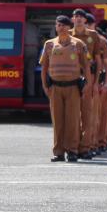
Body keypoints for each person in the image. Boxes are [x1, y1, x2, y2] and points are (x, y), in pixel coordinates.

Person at [40, 15, 89, 162]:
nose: (61, 28)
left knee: (73, 121)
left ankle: (72, 150)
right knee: (58, 120)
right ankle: (58, 152)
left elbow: (86, 67)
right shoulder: (49, 44)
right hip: (55, 87)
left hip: (73, 87)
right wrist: (45, 85)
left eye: (64, 25)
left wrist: (87, 84)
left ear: (69, 27)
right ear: (56, 27)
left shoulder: (79, 44)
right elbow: (44, 67)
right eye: (58, 25)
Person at [71, 9, 105, 159]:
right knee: (72, 114)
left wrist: (96, 82)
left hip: (88, 76)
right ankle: (72, 147)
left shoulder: (93, 36)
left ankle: (85, 148)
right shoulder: (67, 34)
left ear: (85, 20)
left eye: (81, 17)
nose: (78, 19)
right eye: (76, 17)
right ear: (72, 19)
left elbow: (98, 60)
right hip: (71, 76)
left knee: (87, 114)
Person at [85, 13, 107, 155]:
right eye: (85, 22)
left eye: (90, 23)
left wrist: (105, 83)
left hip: (95, 80)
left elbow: (106, 66)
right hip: (78, 80)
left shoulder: (100, 41)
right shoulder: (73, 39)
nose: (87, 26)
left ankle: (93, 144)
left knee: (94, 115)